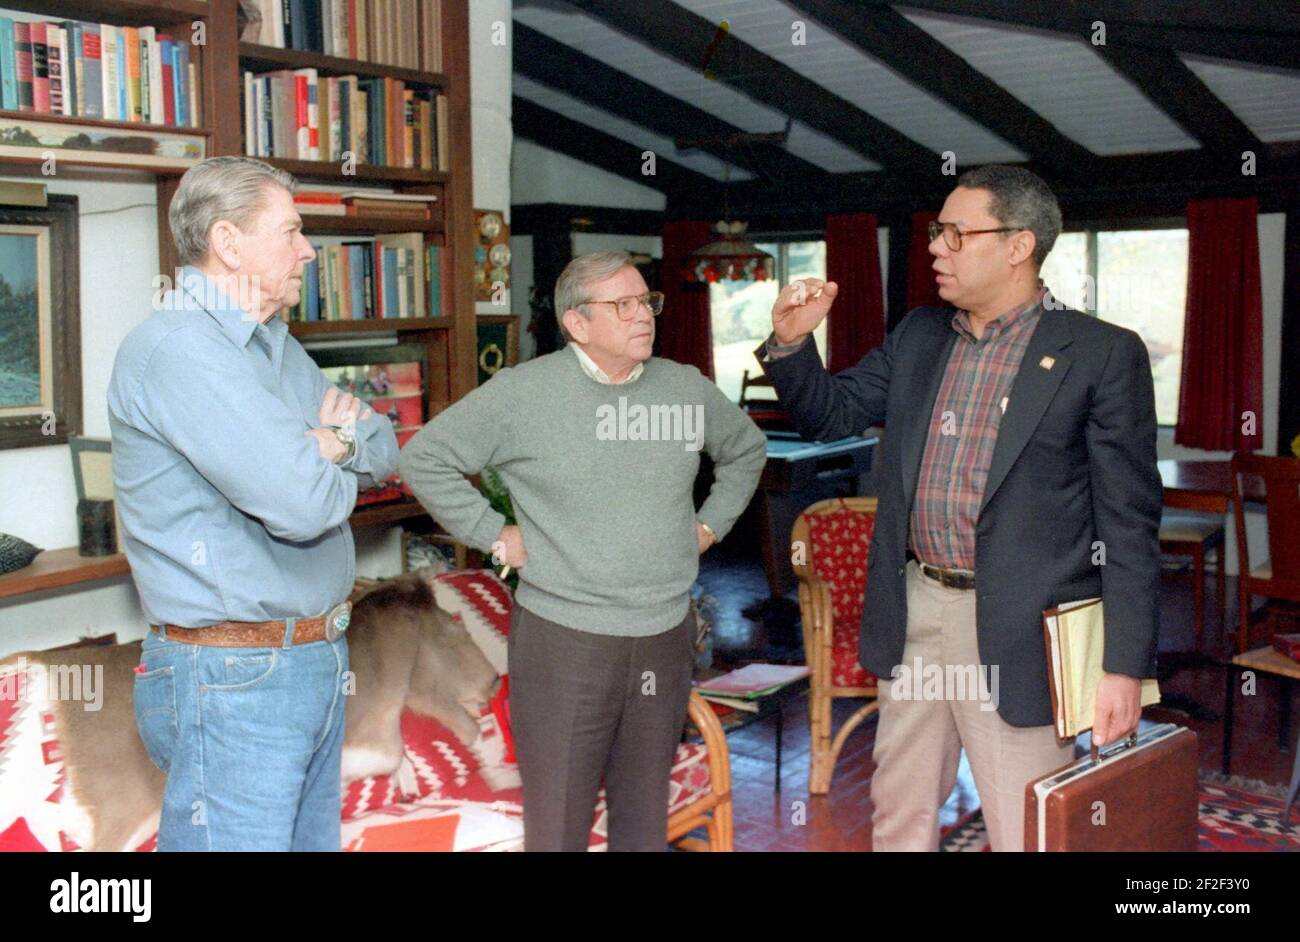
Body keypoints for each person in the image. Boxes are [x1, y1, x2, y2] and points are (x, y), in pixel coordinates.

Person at [757, 165, 1161, 851]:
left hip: (1021, 631)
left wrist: (1123, 668)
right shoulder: (921, 336)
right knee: (900, 815)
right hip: (914, 609)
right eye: (936, 232)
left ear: (1017, 246)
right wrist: (793, 345)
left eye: (954, 233)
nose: (936, 247)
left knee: (1025, 827)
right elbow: (834, 414)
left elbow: (1128, 525)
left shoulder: (1098, 353)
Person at [399, 251, 766, 851]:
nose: (642, 315)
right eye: (622, 305)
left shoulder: (682, 386)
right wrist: (495, 532)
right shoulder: (523, 394)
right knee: (560, 826)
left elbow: (746, 449)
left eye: (646, 301)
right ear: (576, 323)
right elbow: (423, 458)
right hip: (565, 641)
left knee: (643, 821)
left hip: (665, 633)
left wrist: (710, 526)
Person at [108, 156, 399, 851]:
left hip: (310, 658)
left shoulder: (271, 345)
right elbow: (300, 506)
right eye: (292, 231)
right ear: (229, 243)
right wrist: (333, 444)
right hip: (233, 677)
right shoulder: (181, 349)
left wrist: (324, 443)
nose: (308, 250)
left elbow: (386, 446)